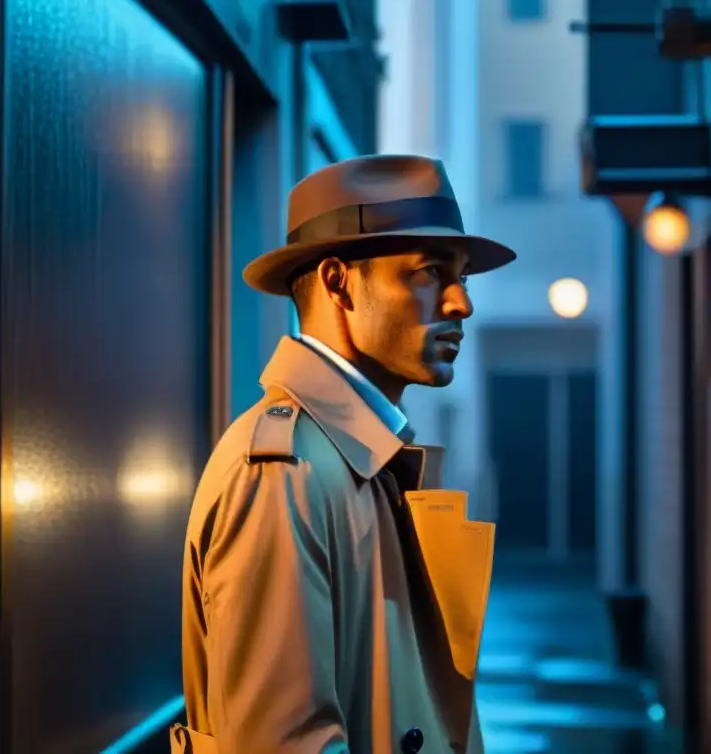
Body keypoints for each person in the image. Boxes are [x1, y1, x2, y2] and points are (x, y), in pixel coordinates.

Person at [172, 154, 517, 753]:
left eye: (463, 277)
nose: (461, 304)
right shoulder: (284, 475)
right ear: (338, 282)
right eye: (432, 271)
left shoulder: (350, 457)